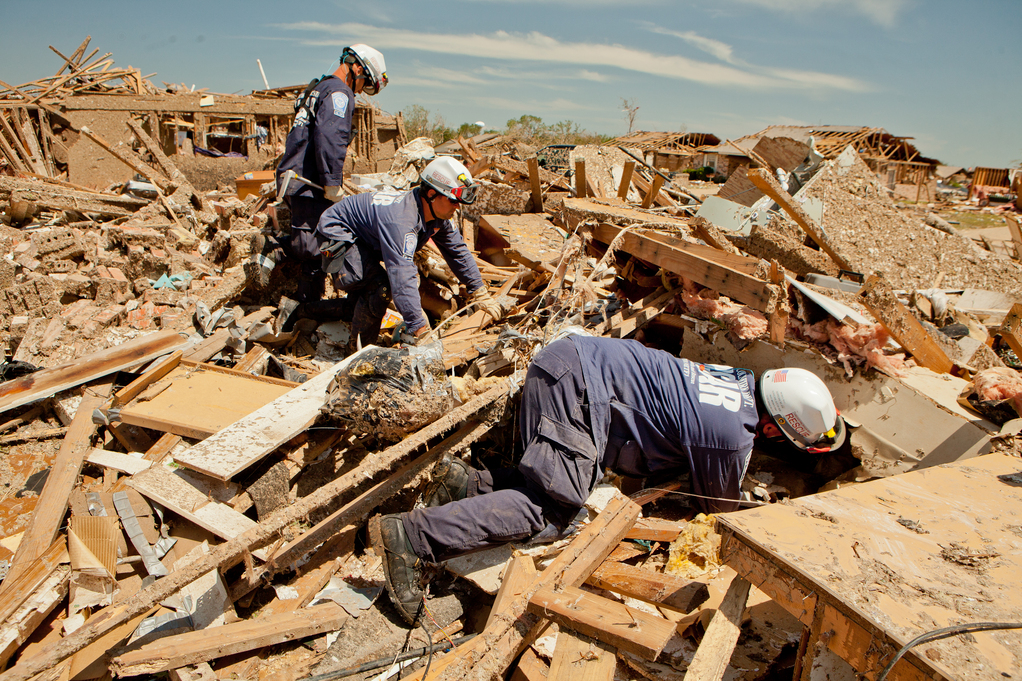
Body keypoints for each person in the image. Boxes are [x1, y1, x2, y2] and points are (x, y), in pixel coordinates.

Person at [369, 335, 846, 622]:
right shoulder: (732, 438)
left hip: (569, 363)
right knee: (552, 509)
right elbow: (721, 510)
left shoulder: (737, 380)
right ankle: (413, 537)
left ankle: (464, 486)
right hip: (578, 390)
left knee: (553, 480)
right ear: (772, 427)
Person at [294, 156, 502, 349]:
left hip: (364, 236)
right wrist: (421, 330)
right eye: (453, 201)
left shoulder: (437, 215)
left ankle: (304, 312)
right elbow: (402, 277)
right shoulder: (401, 221)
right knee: (380, 289)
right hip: (338, 232)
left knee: (362, 303)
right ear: (431, 194)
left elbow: (457, 251)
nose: (457, 207)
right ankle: (360, 359)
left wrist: (479, 292)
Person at [252, 44, 388, 300]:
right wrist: (331, 182)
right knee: (314, 249)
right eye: (364, 83)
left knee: (314, 248)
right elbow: (331, 138)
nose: (360, 91)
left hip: (295, 176)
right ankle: (279, 254)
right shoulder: (340, 93)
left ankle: (307, 309)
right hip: (308, 182)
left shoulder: (319, 88)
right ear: (357, 68)